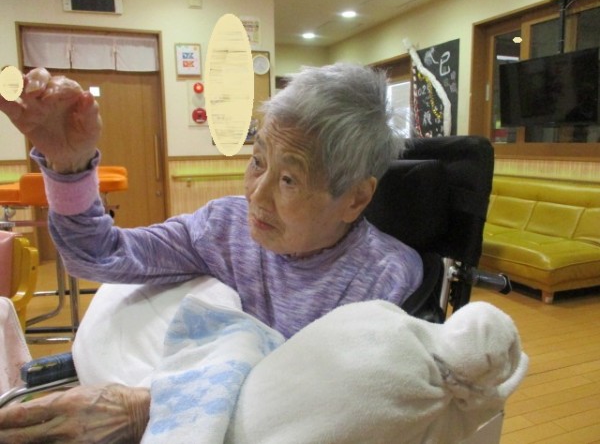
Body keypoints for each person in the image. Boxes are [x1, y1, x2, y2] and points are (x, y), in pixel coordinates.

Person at [0, 63, 423, 442]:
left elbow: (324, 408)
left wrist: (146, 408)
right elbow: (99, 256)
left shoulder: (382, 276)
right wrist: (68, 164)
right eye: (258, 162)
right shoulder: (225, 227)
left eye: (289, 180)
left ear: (355, 198)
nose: (256, 195)